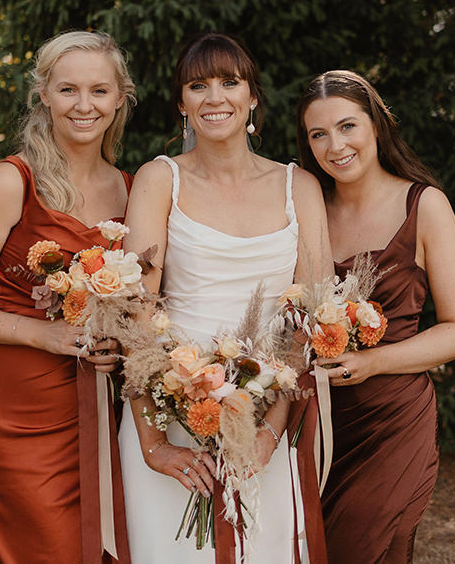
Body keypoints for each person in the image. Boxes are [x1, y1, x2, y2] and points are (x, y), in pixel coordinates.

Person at [118, 33, 332, 562]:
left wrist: (269, 431)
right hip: (171, 403)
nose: (215, 97)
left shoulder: (297, 185)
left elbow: (309, 320)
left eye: (229, 82)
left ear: (253, 97)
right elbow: (134, 314)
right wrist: (155, 441)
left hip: (270, 413)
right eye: (198, 85)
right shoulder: (158, 179)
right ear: (182, 104)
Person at [0, 30, 137, 563]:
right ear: (44, 94)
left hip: (104, 392)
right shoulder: (11, 182)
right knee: (37, 541)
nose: (84, 105)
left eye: (99, 91)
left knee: (105, 538)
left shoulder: (133, 188)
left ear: (120, 97)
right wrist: (43, 334)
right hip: (20, 398)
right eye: (68, 90)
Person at [295, 69, 455, 563]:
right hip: (315, 422)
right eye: (319, 133)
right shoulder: (305, 206)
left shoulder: (425, 204)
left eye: (348, 125)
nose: (336, 145)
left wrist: (375, 362)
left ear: (376, 124)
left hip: (392, 421)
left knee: (369, 549)